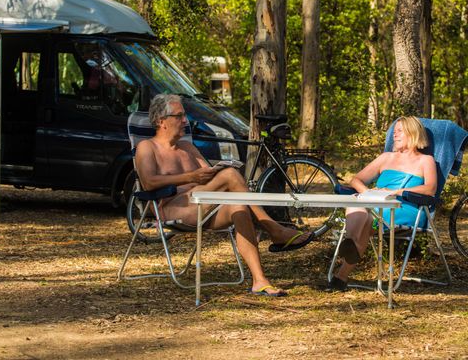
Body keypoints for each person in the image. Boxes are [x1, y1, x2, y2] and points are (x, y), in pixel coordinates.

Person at [135, 94, 314, 297]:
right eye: (179, 116)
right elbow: (149, 182)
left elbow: (209, 175)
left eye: (184, 116)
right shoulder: (147, 147)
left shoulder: (187, 147)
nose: (185, 121)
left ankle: (259, 281)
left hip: (204, 206)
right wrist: (191, 177)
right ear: (161, 121)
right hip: (173, 207)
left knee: (238, 206)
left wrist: (212, 172)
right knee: (230, 176)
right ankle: (273, 228)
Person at [328, 116, 437, 292]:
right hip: (377, 202)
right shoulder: (386, 157)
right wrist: (369, 194)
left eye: (400, 131)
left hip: (405, 207)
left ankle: (342, 271)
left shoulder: (425, 160)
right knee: (358, 203)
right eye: (394, 132)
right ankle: (350, 245)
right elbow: (356, 180)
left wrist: (396, 192)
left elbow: (430, 188)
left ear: (413, 133)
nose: (395, 135)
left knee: (367, 218)